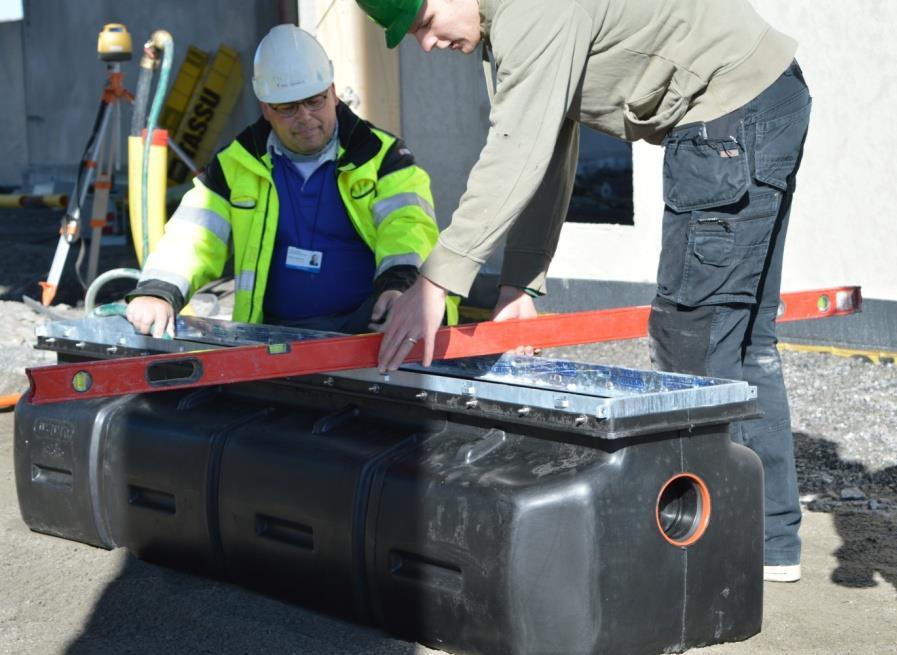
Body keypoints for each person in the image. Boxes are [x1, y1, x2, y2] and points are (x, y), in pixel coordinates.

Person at [356, 0, 811, 583]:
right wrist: (518, 282)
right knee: (744, 341)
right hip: (762, 100)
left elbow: (517, 151)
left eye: (423, 24)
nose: (426, 45)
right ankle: (770, 544)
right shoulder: (508, 26)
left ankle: (703, 560)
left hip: (727, 117)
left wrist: (437, 278)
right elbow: (547, 143)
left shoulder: (528, 11)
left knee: (691, 342)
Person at [126, 24, 455, 338]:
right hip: (272, 336)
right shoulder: (235, 165)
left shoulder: (383, 157)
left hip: (365, 335)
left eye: (315, 101)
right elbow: (194, 234)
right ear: (266, 108)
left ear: (333, 92)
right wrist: (158, 290)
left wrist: (401, 287)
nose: (306, 117)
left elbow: (407, 228)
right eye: (288, 108)